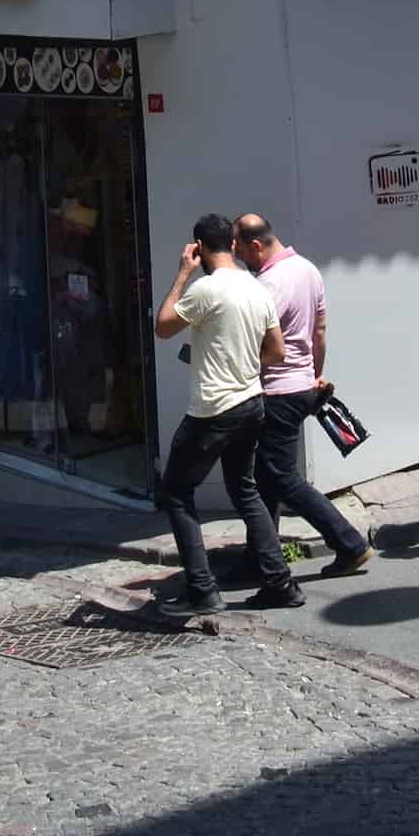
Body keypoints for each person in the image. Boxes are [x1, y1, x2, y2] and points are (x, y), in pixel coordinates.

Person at [152, 213, 301, 622]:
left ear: (197, 248)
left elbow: (163, 327)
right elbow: (277, 351)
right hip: (252, 402)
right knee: (245, 490)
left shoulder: (205, 288)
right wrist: (240, 360)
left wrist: (182, 274)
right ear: (234, 244)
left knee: (177, 491)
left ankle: (202, 590)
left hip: (213, 409)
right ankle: (280, 582)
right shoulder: (256, 289)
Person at [233, 214, 372, 578]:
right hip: (302, 387)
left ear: (257, 246)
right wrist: (314, 375)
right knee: (265, 478)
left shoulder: (267, 285)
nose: (239, 259)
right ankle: (260, 558)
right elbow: (320, 330)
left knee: (281, 477)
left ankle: (350, 544)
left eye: (241, 252)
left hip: (276, 390)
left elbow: (261, 343)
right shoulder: (308, 269)